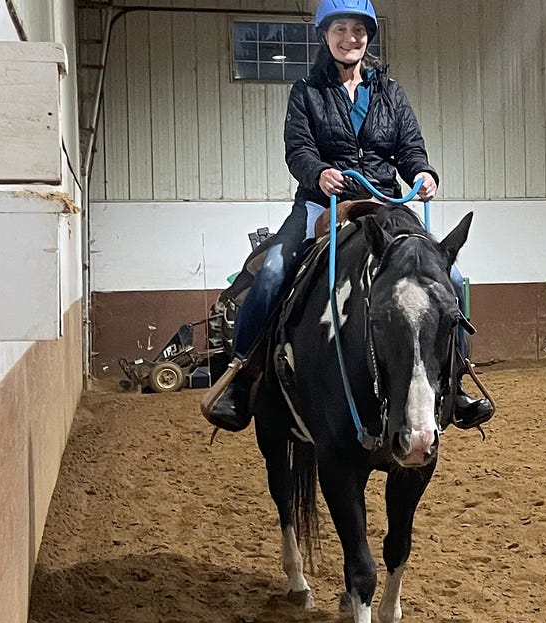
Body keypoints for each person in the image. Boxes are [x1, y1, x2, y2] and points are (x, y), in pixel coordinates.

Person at [201, 0, 493, 433]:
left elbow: (409, 147)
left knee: (450, 279)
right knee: (272, 272)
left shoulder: (390, 92)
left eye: (358, 30)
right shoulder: (306, 92)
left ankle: (457, 380)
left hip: (384, 204)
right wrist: (319, 173)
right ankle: (242, 379)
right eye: (340, 29)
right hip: (322, 202)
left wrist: (423, 173)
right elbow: (298, 150)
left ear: (367, 37)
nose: (349, 38)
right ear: (325, 36)